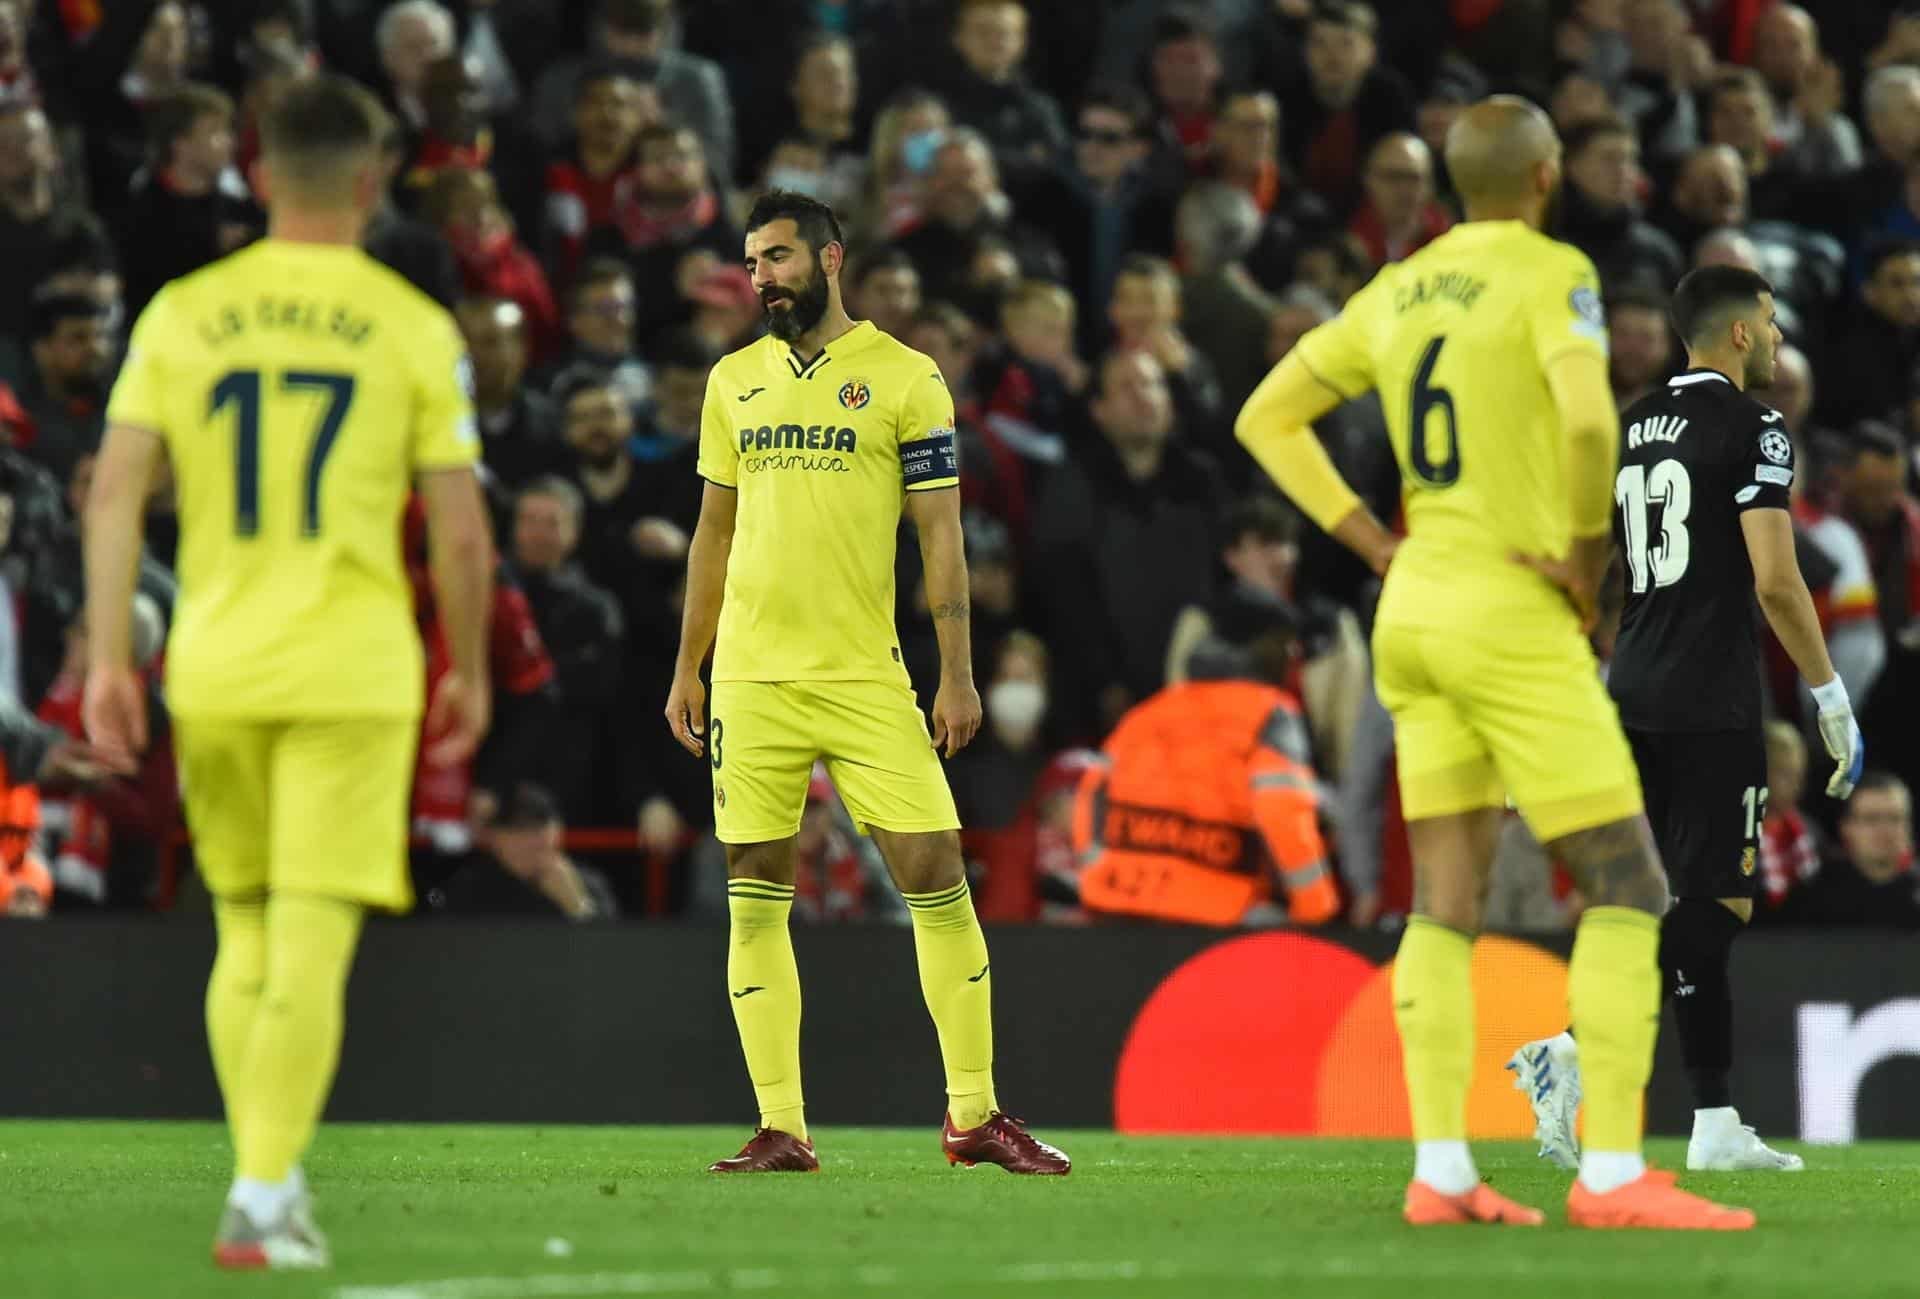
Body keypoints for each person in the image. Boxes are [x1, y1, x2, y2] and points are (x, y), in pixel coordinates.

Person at [1234, 95, 1749, 1229]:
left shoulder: (1400, 285)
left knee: (1446, 900)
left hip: (1412, 610)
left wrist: (1369, 540)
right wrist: (1581, 552)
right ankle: (1612, 1176)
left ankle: (1443, 1173)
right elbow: (1582, 423)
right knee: (1628, 884)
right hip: (1509, 609)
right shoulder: (1549, 271)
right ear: (1547, 174)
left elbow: (1266, 418)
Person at [81, 74, 493, 1268]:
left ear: (257, 176)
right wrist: (467, 665)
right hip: (352, 666)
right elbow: (461, 532)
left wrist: (110, 654)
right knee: (309, 936)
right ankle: (261, 1192)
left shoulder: (181, 311)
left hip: (212, 661)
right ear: (370, 183)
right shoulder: (413, 325)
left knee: (244, 934)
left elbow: (112, 492)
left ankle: (271, 1175)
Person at [664, 190, 1067, 1176]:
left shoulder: (903, 377)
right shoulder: (733, 382)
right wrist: (689, 664)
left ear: (831, 260)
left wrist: (957, 673)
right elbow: (712, 533)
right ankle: (781, 1127)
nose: (762, 278)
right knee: (754, 895)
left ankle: (973, 1113)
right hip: (753, 679)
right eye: (753, 262)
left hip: (863, 672)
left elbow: (941, 533)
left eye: (779, 259)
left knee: (937, 875)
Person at [1516, 265, 1861, 1177]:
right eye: (1774, 323)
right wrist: (1828, 695)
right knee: (1719, 901)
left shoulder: (1632, 425)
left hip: (1631, 682)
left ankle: (1713, 1121)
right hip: (1710, 694)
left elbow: (1585, 564)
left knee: (1655, 901)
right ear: (1740, 332)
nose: (1782, 341)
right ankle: (1575, 1046)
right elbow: (1778, 582)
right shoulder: (1756, 427)